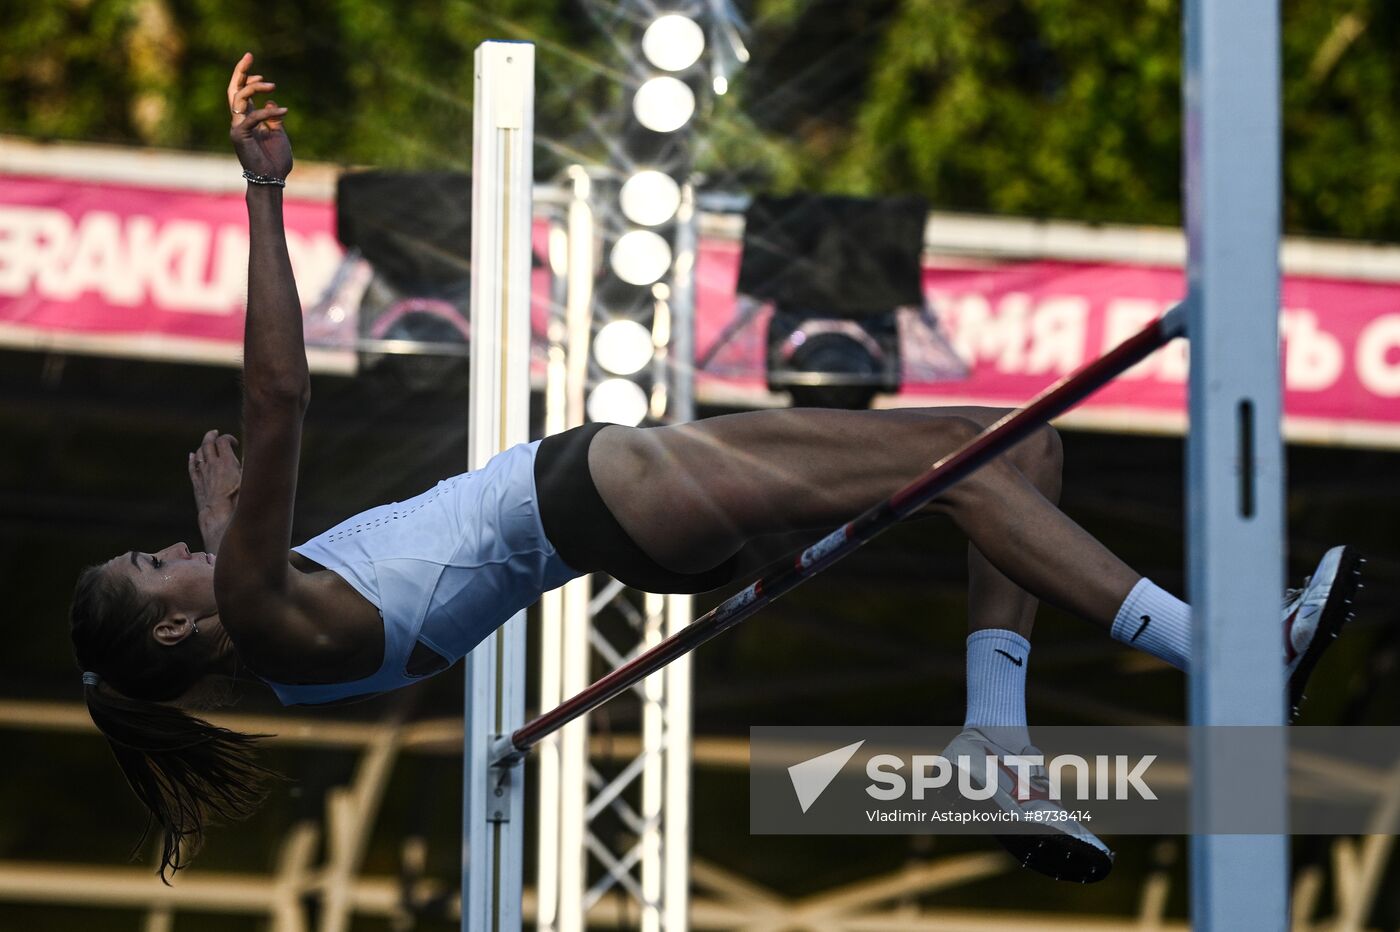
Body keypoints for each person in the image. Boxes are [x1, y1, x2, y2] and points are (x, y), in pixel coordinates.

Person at [69, 54, 1360, 885]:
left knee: (1025, 442)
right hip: (602, 491)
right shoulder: (253, 608)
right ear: (183, 625)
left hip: (615, 516)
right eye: (150, 566)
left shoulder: (272, 623)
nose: (166, 547)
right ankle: (1226, 656)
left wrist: (229, 522)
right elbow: (279, 390)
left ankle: (994, 736)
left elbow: (296, 550)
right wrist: (260, 197)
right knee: (974, 471)